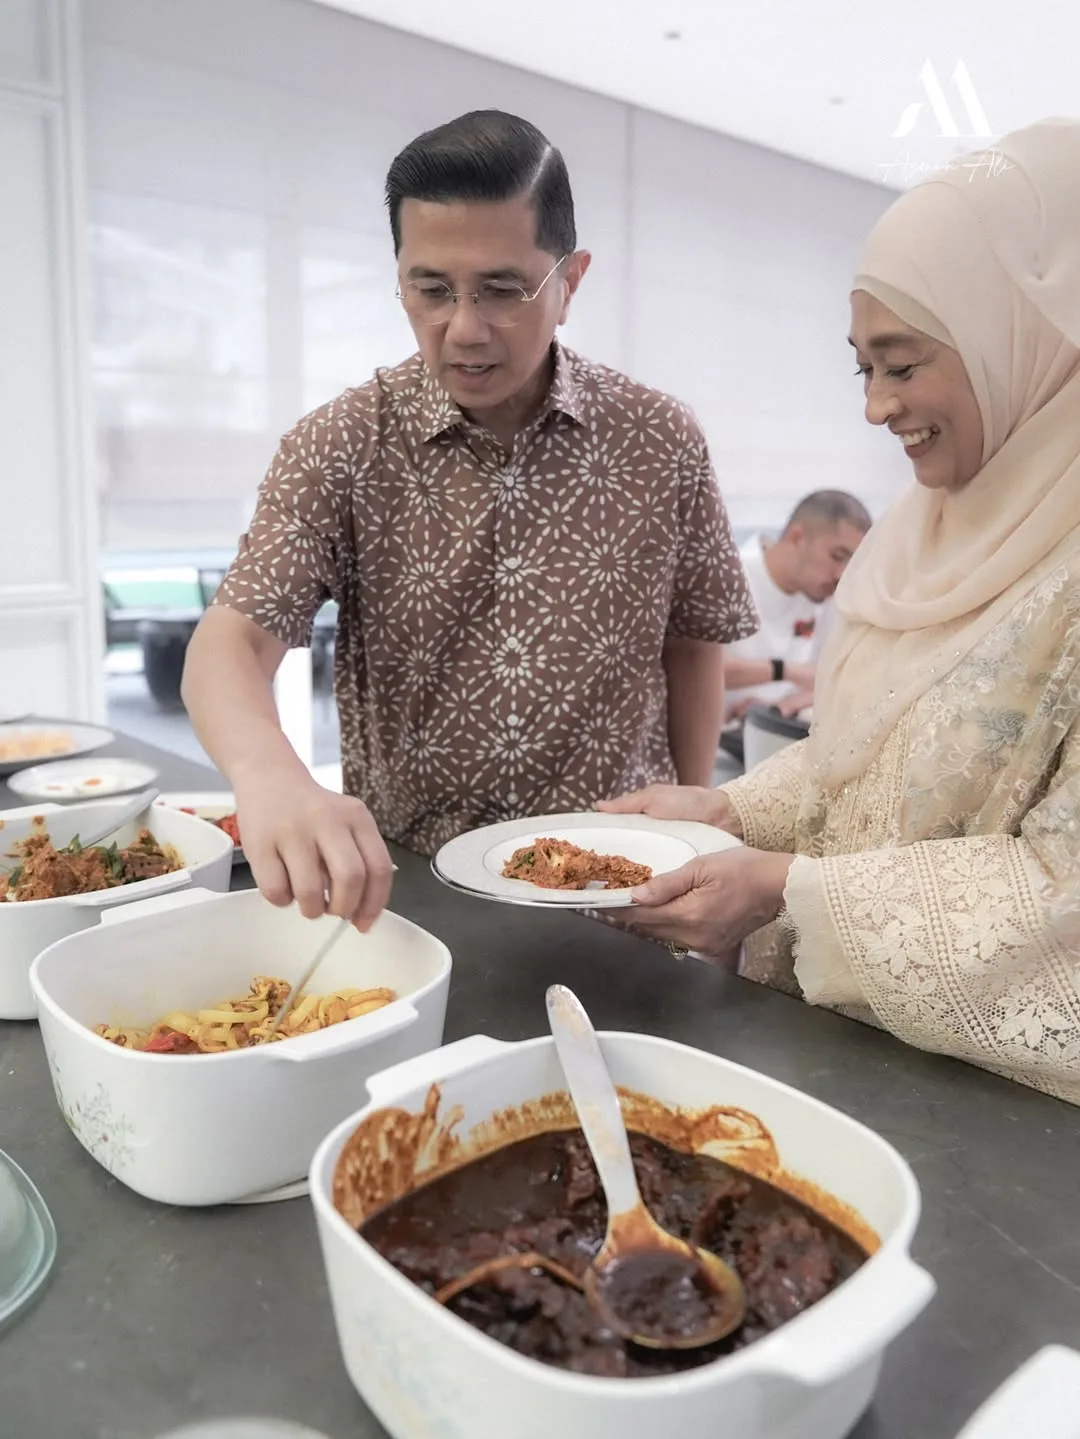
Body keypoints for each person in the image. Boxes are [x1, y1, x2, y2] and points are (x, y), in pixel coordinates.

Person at [602, 118, 1080, 1104]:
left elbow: (1064, 895)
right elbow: (865, 766)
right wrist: (728, 809)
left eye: (903, 366)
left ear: (1024, 341)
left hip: (1001, 1136)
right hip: (829, 1059)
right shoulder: (922, 534)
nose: (875, 407)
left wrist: (787, 888)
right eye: (861, 368)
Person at [181, 110, 756, 930]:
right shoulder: (341, 445)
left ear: (571, 278)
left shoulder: (659, 437)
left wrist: (686, 832)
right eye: (431, 290)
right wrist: (268, 772)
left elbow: (694, 642)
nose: (464, 329)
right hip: (413, 894)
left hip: (623, 887)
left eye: (502, 289)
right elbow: (229, 643)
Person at [720, 490, 871, 761]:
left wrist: (782, 707)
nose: (841, 574)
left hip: (782, 740)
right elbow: (701, 668)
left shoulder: (830, 597)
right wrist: (786, 672)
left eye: (852, 562)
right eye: (837, 556)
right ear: (796, 538)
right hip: (720, 748)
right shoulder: (730, 577)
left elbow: (847, 677)